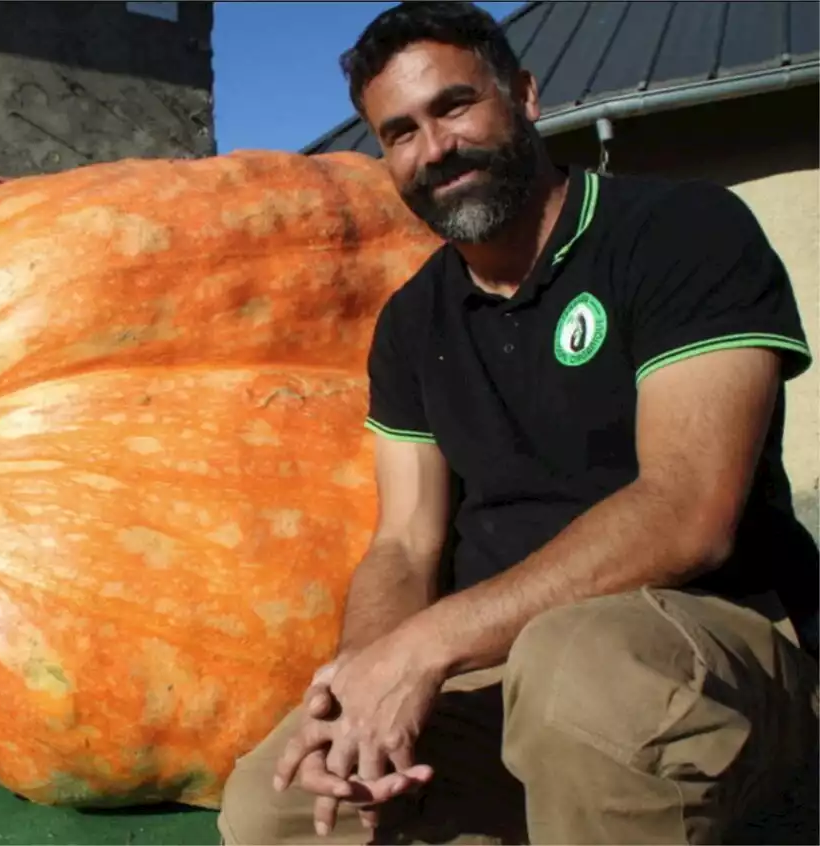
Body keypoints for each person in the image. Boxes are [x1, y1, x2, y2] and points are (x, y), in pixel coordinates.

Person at [216, 2, 819, 844]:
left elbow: (690, 509)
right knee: (278, 806)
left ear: (525, 96)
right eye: (399, 133)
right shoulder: (412, 323)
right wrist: (369, 681)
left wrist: (431, 645)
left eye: (454, 106)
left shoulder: (683, 231)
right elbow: (403, 542)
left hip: (709, 638)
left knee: (576, 675)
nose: (435, 149)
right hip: (500, 663)